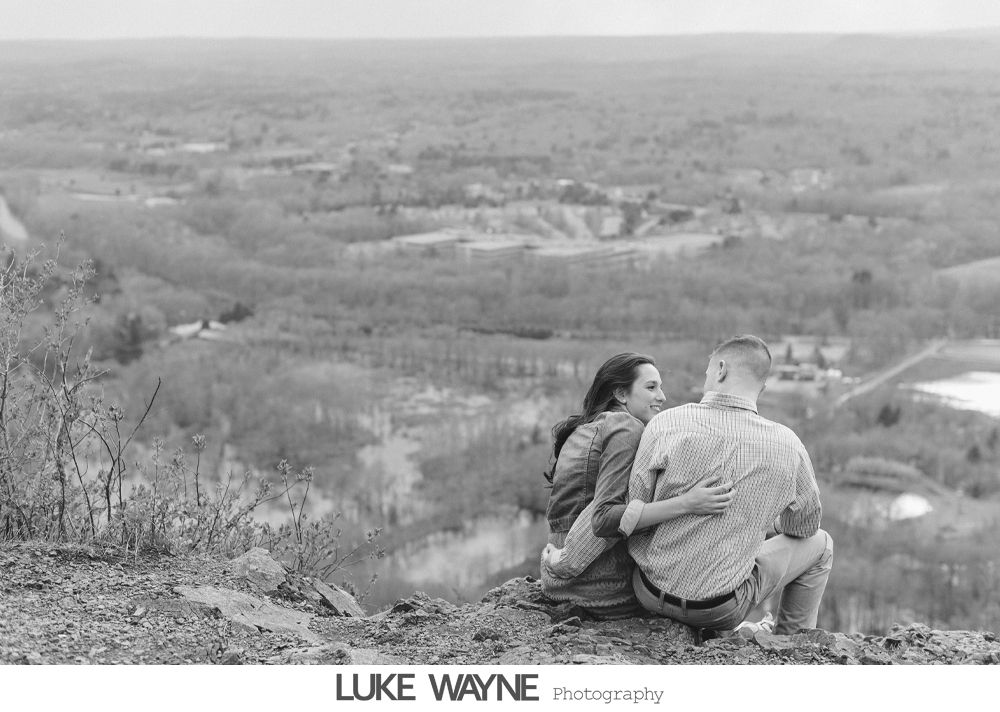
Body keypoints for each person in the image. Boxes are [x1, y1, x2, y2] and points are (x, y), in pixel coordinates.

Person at [626, 335, 833, 634]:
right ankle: (790, 643)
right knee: (822, 543)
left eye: (708, 373)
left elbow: (636, 508)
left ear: (721, 369)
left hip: (647, 591)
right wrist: (757, 519)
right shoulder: (788, 445)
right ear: (762, 386)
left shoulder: (665, 424)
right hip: (719, 610)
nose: (707, 379)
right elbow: (804, 528)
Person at [540, 352, 734, 618]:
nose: (662, 396)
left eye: (660, 387)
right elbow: (605, 515)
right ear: (621, 394)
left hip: (559, 584)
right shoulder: (626, 427)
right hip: (603, 588)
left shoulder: (584, 428)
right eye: (651, 387)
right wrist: (688, 502)